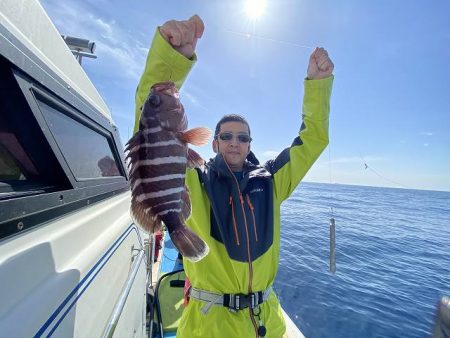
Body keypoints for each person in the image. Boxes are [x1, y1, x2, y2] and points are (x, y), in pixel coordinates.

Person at [134, 14, 334, 338]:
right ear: (213, 143)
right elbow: (150, 139)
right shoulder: (195, 178)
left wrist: (318, 87)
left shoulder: (272, 180)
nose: (234, 143)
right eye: (226, 136)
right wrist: (170, 62)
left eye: (242, 137)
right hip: (209, 327)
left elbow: (311, 142)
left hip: (267, 324)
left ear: (250, 144)